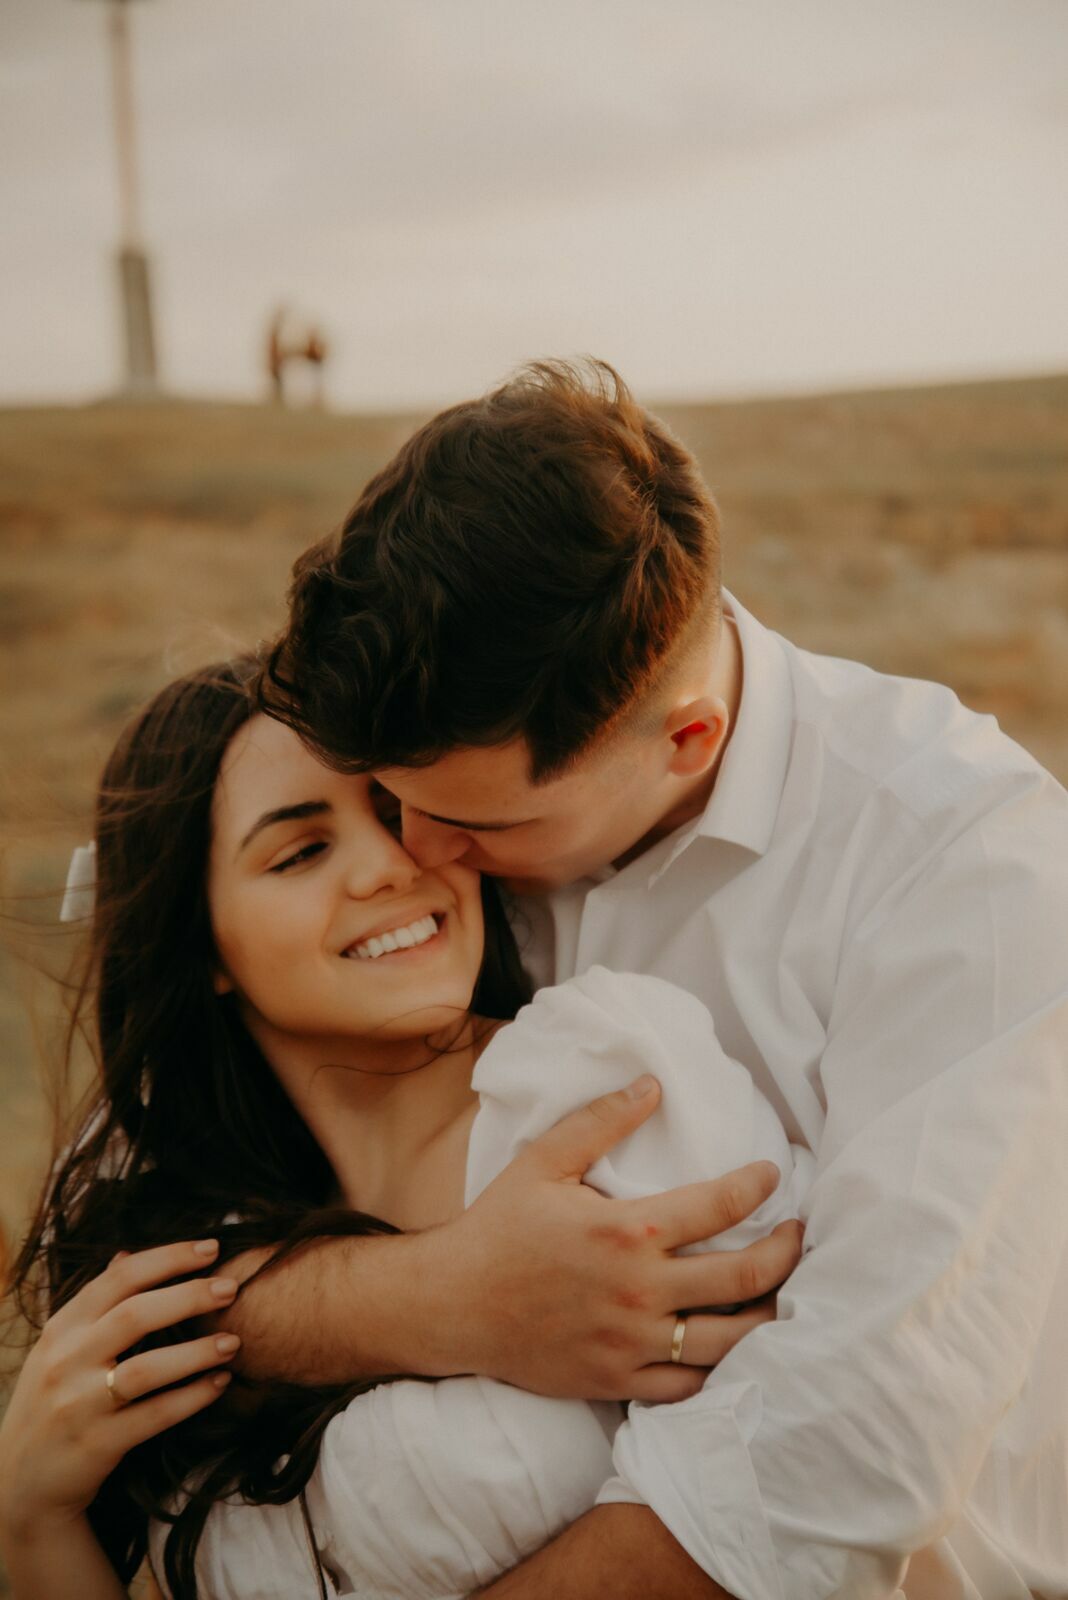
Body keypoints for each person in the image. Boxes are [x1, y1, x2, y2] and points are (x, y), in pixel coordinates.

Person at [216, 358, 1068, 1598]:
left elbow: (853, 1448)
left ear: (687, 740)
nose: (412, 856)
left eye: (471, 822)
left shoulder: (968, 865)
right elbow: (150, 1232)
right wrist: (436, 1297)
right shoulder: (425, 855)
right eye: (388, 797)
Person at [0, 657, 804, 1599]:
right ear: (203, 945)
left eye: (398, 813)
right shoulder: (176, 1246)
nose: (389, 866)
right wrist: (31, 1520)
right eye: (301, 853)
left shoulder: (601, 1090)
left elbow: (798, 1489)